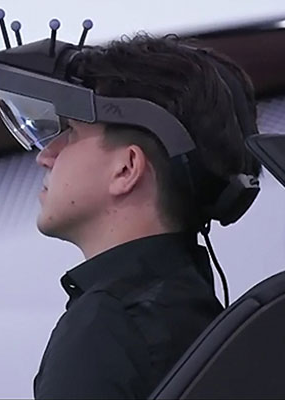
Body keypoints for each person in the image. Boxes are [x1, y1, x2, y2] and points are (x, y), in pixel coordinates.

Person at [28, 33, 261, 399]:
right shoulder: (191, 313)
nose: (45, 156)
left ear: (126, 168)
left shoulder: (107, 326)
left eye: (69, 131)